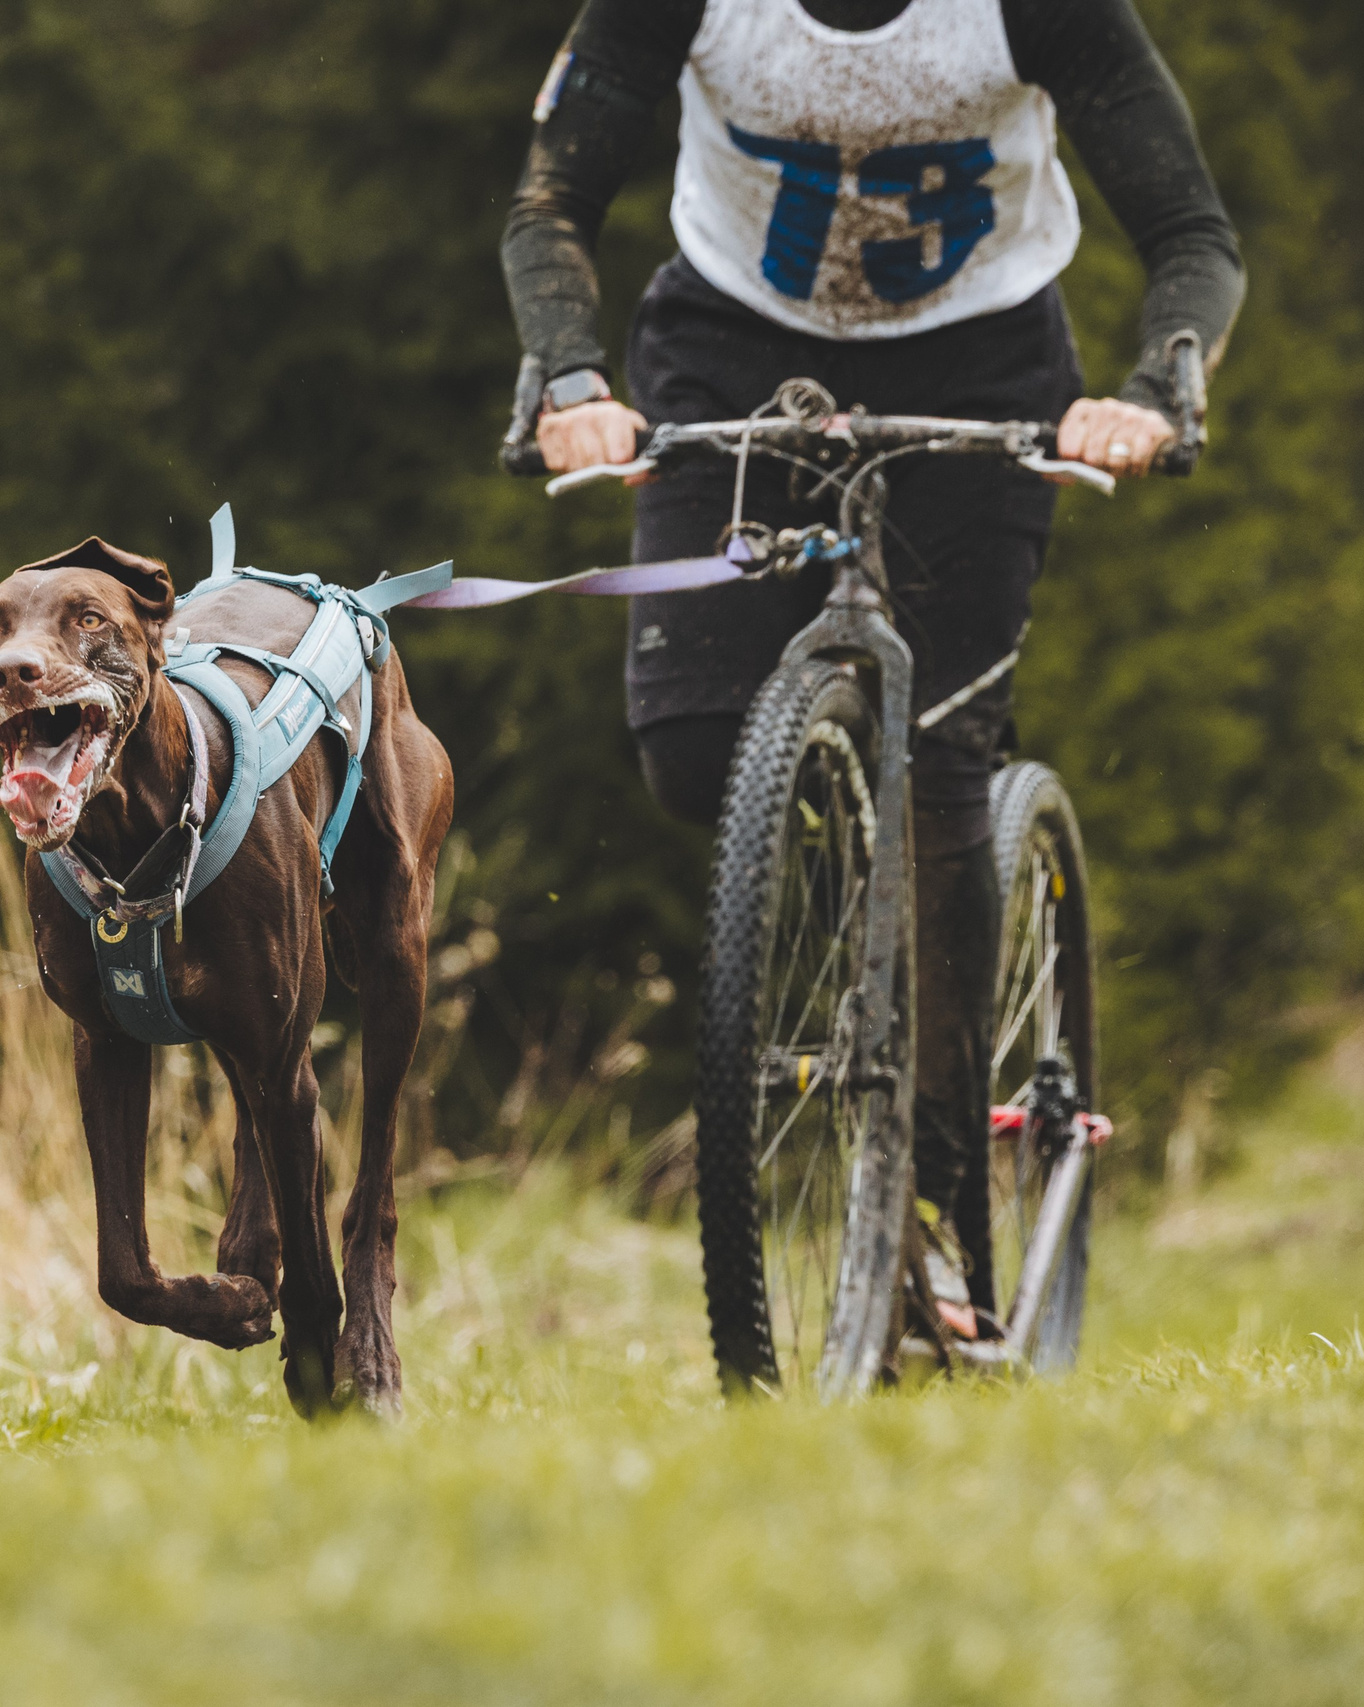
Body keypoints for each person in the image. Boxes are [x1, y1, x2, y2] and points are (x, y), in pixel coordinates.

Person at [501, 0, 1241, 1331]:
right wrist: (565, 381)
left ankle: (947, 1222)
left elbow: (1191, 234)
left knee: (946, 785)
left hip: (987, 359)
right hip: (733, 347)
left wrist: (1155, 388)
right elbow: (549, 203)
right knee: (689, 758)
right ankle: (845, 890)